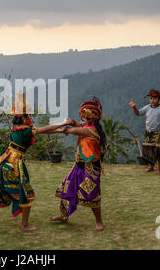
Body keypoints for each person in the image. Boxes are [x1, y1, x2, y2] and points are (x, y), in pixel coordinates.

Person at [0, 92, 71, 232]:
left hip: (5, 164)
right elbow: (45, 129)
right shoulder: (26, 131)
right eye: (28, 116)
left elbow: (42, 131)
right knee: (26, 194)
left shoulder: (16, 129)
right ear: (24, 118)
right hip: (14, 167)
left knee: (2, 195)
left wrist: (61, 131)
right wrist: (63, 123)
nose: (29, 118)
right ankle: (24, 225)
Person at [50, 97, 107, 231]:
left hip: (91, 169)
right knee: (68, 188)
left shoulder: (89, 130)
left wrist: (62, 127)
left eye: (83, 119)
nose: (81, 121)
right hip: (78, 166)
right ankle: (63, 215)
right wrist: (72, 122)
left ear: (90, 120)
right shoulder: (88, 126)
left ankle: (99, 222)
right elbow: (78, 125)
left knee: (91, 194)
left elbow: (72, 130)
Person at [128, 89, 160, 174]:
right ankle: (151, 167)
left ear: (159, 99)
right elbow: (138, 113)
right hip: (149, 131)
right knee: (147, 148)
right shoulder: (147, 107)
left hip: (159, 131)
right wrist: (133, 107)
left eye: (155, 98)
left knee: (159, 150)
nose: (152, 100)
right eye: (151, 99)